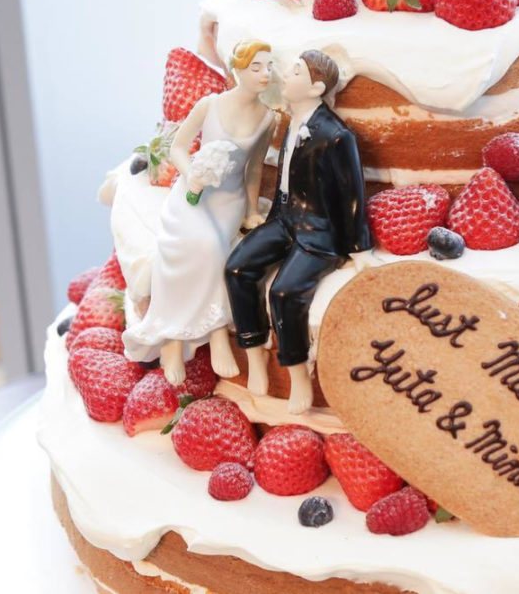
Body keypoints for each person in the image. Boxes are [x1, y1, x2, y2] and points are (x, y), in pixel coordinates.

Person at [225, 49, 373, 414]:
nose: (284, 76)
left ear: (316, 88)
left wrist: (358, 249)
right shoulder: (290, 121)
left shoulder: (336, 135)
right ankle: (255, 355)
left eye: (294, 72)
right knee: (238, 268)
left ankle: (297, 374)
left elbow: (352, 194)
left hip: (319, 231)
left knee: (285, 292)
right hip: (284, 220)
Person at [123, 41, 276, 384]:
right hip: (194, 194)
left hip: (229, 202)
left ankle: (215, 333)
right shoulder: (210, 105)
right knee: (186, 246)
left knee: (215, 248)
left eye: (269, 67)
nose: (265, 74)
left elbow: (253, 170)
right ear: (238, 70)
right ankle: (173, 340)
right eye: (256, 67)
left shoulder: (268, 118)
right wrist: (191, 173)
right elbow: (178, 147)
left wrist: (251, 211)